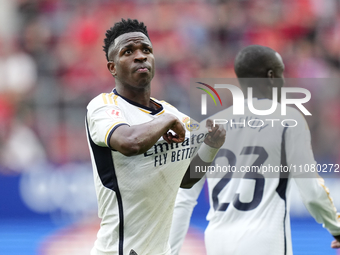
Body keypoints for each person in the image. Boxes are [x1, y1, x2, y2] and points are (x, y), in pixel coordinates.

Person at [169, 45, 340, 254]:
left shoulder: (208, 125)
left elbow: (183, 198)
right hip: (264, 241)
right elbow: (311, 191)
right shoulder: (288, 121)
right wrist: (336, 228)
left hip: (217, 242)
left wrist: (171, 251)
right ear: (271, 76)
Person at [85, 19, 225, 255]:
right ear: (112, 68)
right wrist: (165, 121)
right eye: (128, 52)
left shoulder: (172, 114)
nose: (140, 56)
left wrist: (211, 147)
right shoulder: (102, 107)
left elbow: (186, 179)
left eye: (146, 50)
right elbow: (130, 143)